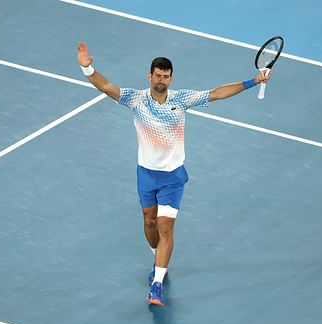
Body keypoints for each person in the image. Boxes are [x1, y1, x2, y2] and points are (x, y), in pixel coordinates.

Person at [77, 42, 270, 306]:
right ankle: (158, 257)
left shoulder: (182, 99)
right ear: (150, 76)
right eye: (157, 75)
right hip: (145, 174)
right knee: (150, 222)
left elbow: (217, 93)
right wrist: (87, 67)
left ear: (171, 78)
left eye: (166, 76)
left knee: (165, 226)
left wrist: (253, 81)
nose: (161, 80)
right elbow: (106, 86)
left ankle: (157, 283)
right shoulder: (136, 99)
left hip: (173, 177)